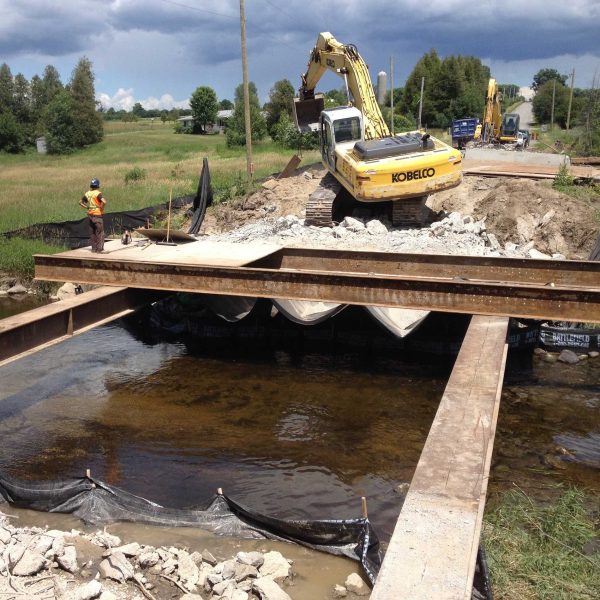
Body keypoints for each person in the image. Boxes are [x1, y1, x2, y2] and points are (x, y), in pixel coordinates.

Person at [79, 178, 106, 253]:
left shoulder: (87, 193)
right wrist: (101, 207)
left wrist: (87, 207)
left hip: (90, 215)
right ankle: (99, 249)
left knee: (92, 233)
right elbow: (104, 201)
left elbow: (80, 202)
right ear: (98, 185)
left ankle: (94, 249)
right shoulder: (98, 193)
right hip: (97, 215)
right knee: (100, 232)